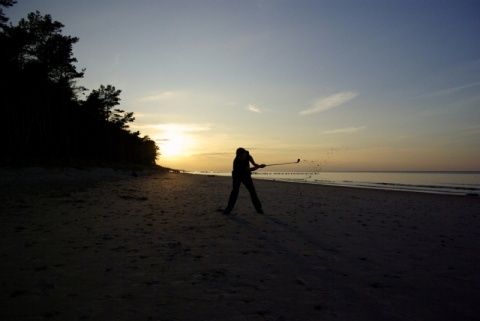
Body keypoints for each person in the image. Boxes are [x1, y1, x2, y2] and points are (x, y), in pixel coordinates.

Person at [223, 147, 265, 214]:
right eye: (241, 157)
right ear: (238, 156)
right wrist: (259, 167)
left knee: (252, 191)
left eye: (244, 156)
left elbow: (249, 157)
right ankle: (228, 208)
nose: (243, 158)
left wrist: (254, 164)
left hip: (246, 175)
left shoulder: (246, 153)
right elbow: (249, 169)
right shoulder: (236, 163)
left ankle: (258, 208)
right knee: (235, 191)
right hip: (237, 175)